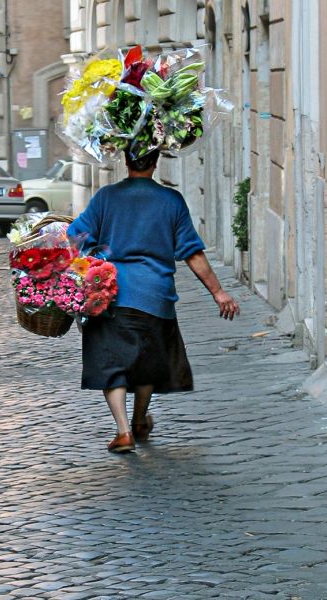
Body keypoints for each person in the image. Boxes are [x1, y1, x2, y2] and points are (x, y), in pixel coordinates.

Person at [67, 149, 240, 453]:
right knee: (148, 361)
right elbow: (192, 252)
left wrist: (89, 256)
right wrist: (218, 292)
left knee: (112, 362)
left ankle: (123, 431)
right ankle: (138, 420)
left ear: (126, 160)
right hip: (154, 295)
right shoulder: (171, 200)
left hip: (109, 295)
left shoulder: (106, 197)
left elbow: (74, 235)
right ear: (156, 163)